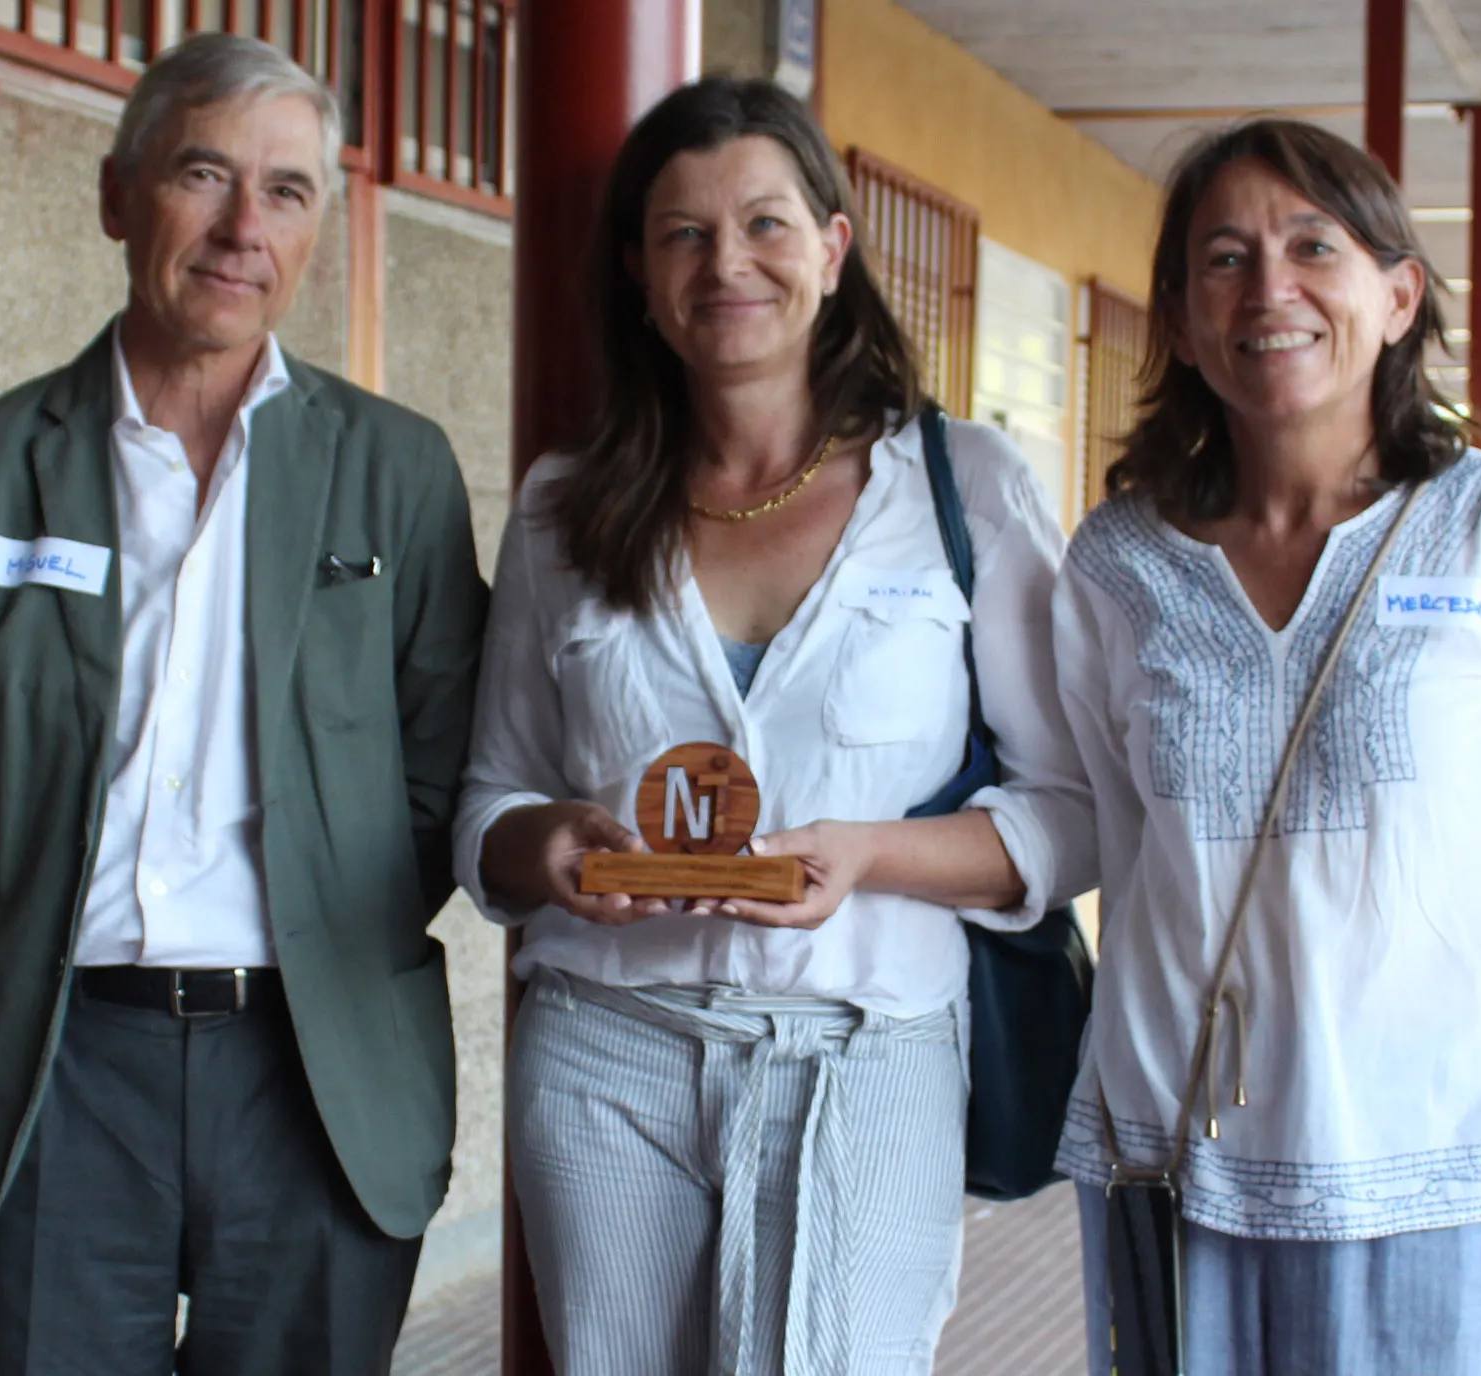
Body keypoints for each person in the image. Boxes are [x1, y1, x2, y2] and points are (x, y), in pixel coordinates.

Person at [0, 33, 485, 1376]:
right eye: (206, 174)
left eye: (290, 190)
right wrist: (23, 923)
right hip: (54, 1067)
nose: (245, 227)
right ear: (117, 195)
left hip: (316, 1075)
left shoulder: (398, 475)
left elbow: (442, 779)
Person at [455, 78, 1090, 1375]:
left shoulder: (963, 489)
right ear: (638, 270)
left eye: (765, 224)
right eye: (683, 232)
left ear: (834, 250)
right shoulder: (565, 508)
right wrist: (553, 847)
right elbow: (488, 800)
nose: (726, 262)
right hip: (605, 1051)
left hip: (866, 1051)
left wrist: (866, 854)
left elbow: (1073, 815)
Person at [1052, 117, 1481, 1375]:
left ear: (1398, 293)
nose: (1271, 290)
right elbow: (1109, 824)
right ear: (1184, 319)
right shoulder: (1118, 561)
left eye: (1315, 246)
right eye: (1224, 259)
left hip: (1428, 1136)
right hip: (1178, 1134)